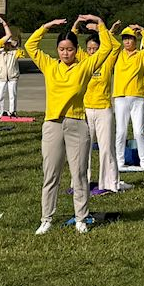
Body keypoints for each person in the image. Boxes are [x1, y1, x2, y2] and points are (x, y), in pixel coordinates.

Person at [22, 15, 114, 234]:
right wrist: (46, 26)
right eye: (62, 49)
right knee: (50, 174)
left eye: (70, 49)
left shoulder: (84, 67)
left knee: (79, 174)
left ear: (76, 50)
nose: (66, 53)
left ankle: (81, 218)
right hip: (52, 124)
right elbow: (30, 46)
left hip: (77, 124)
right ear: (57, 50)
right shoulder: (49, 65)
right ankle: (46, 218)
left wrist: (100, 23)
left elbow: (107, 48)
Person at [81, 20, 121, 193]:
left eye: (95, 48)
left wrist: (101, 29)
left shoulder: (107, 61)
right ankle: (82, 181)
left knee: (106, 148)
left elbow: (116, 46)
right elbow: (71, 44)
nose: (92, 51)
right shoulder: (84, 61)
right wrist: (76, 25)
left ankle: (110, 183)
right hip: (86, 110)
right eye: (89, 48)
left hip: (104, 109)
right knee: (84, 148)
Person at [112, 25, 144, 169]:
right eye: (124, 39)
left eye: (130, 38)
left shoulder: (141, 55)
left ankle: (143, 162)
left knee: (139, 132)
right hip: (121, 97)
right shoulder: (118, 54)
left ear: (135, 40)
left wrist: (142, 30)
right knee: (121, 131)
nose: (127, 41)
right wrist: (112, 30)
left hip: (138, 97)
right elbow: (109, 43)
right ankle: (120, 162)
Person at [0, 37, 21, 118]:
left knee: (13, 95)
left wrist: (15, 45)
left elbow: (23, 54)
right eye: (5, 43)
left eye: (8, 44)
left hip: (12, 76)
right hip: (1, 76)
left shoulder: (15, 52)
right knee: (0, 95)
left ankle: (12, 111)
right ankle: (0, 112)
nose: (7, 45)